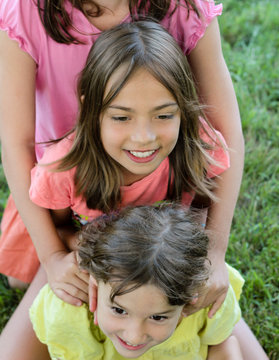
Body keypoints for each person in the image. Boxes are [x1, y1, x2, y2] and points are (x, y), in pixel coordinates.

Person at [0, 0, 244, 315]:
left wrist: (215, 250)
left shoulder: (185, 6)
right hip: (69, 189)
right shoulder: (26, 9)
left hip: (160, 179)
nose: (142, 134)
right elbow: (17, 141)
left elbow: (226, 135)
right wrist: (52, 256)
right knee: (24, 281)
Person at [29, 204, 245, 360]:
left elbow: (223, 347)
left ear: (189, 302)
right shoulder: (68, 316)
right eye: (119, 310)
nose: (134, 335)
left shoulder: (207, 300)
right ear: (94, 285)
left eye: (158, 317)